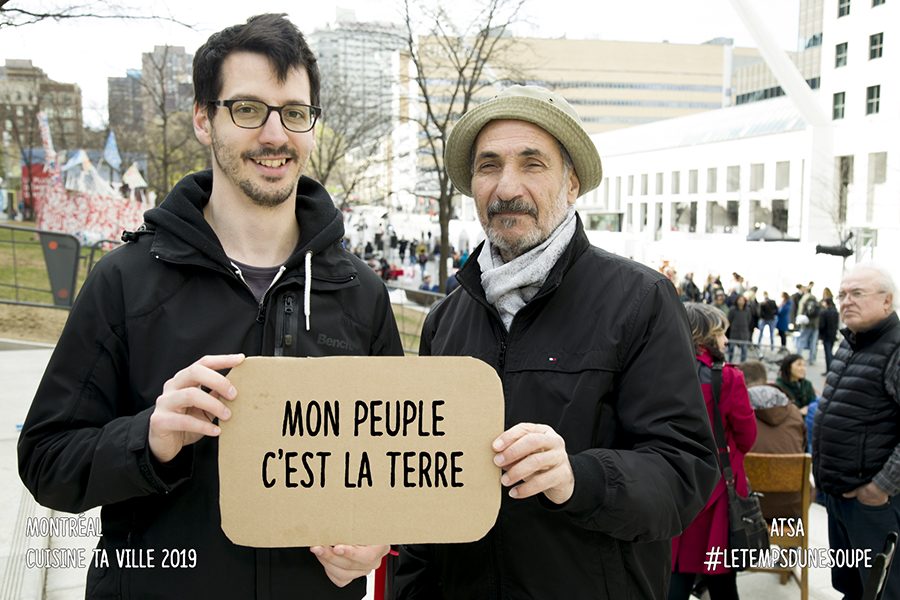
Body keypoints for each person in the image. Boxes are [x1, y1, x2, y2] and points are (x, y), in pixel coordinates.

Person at [17, 14, 403, 600]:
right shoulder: (125, 282)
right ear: (204, 118)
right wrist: (148, 439)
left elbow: (394, 471)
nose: (274, 135)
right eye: (247, 109)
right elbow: (46, 462)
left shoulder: (362, 294)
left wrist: (376, 542)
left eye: (294, 113)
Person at [394, 85, 718, 600]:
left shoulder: (641, 300)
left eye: (533, 164)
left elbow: (685, 472)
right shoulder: (444, 321)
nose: (507, 187)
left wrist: (578, 478)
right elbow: (423, 498)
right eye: (489, 166)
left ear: (571, 183)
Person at [813, 262, 900, 598]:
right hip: (841, 497)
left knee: (881, 591)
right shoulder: (850, 342)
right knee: (851, 588)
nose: (846, 301)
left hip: (873, 504)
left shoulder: (895, 348)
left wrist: (880, 487)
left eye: (857, 294)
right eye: (842, 295)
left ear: (887, 300)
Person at [670, 303, 757, 600]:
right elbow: (747, 437)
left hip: (672, 481)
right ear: (704, 336)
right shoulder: (729, 378)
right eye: (721, 333)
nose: (726, 340)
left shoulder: (661, 372)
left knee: (675, 571)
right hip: (718, 486)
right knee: (721, 578)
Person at [737, 360, 806, 520]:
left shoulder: (736, 412)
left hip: (747, 509)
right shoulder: (794, 412)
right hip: (791, 507)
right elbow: (803, 446)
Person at [796, 283, 821, 365]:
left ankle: (798, 358)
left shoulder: (804, 299)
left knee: (801, 341)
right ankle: (812, 359)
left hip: (806, 324)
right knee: (813, 342)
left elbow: (800, 311)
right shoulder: (815, 299)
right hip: (815, 324)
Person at [726, 295, 753, 363]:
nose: (741, 302)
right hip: (734, 332)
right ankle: (730, 362)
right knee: (731, 348)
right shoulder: (732, 310)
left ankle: (743, 363)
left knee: (744, 349)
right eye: (739, 300)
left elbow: (749, 320)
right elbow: (729, 319)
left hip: (744, 332)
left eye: (742, 300)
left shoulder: (747, 310)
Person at [818, 297, 840, 374]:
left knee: (828, 353)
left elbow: (821, 325)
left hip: (826, 335)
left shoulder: (824, 312)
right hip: (833, 334)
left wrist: (820, 334)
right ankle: (831, 369)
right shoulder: (835, 312)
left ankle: (829, 369)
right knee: (830, 352)